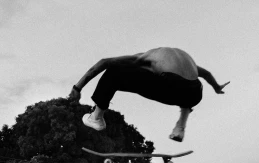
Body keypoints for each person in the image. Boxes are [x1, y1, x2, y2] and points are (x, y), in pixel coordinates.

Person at [69, 47, 230, 142]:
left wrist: (77, 88)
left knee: (113, 72)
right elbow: (207, 74)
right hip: (194, 93)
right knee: (190, 86)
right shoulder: (178, 58)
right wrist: (216, 88)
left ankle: (96, 117)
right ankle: (180, 126)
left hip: (167, 84)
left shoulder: (143, 58)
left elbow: (103, 62)